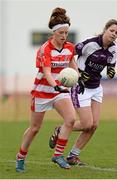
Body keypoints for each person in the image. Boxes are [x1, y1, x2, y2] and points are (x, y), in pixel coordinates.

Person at [15, 7, 84, 172]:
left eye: (66, 33)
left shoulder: (69, 47)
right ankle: (20, 157)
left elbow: (72, 63)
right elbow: (46, 72)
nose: (64, 36)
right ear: (54, 33)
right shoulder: (45, 49)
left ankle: (58, 155)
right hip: (42, 92)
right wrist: (55, 85)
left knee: (70, 120)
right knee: (35, 128)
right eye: (61, 33)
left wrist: (78, 77)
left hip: (59, 92)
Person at [49, 19, 117, 165]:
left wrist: (111, 71)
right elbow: (69, 53)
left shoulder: (113, 49)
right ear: (105, 29)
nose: (114, 34)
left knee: (94, 125)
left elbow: (110, 67)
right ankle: (61, 129)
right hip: (81, 87)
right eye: (112, 30)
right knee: (86, 124)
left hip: (96, 88)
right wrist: (76, 73)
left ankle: (72, 156)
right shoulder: (90, 43)